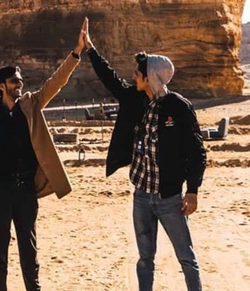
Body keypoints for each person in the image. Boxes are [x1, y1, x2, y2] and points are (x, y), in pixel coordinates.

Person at [81, 23, 206, 291]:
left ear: (151, 77)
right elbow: (110, 79)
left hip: (169, 198)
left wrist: (193, 190)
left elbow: (197, 151)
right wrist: (89, 49)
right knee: (144, 259)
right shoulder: (136, 100)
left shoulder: (179, 108)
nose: (133, 75)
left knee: (186, 257)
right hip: (141, 195)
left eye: (138, 72)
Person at [0, 18, 87, 291]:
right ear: (1, 86)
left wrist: (76, 52)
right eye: (14, 81)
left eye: (20, 80)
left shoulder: (31, 104)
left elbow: (55, 82)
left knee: (28, 247)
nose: (19, 83)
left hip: (25, 192)